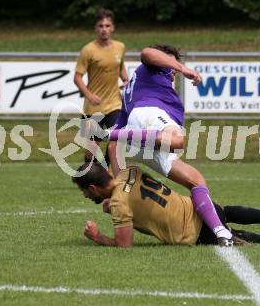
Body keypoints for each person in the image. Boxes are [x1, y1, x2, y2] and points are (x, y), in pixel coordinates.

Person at [86, 44, 235, 246]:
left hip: (142, 139)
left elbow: (116, 141)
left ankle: (221, 232)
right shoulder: (148, 69)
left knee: (196, 181)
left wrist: (118, 189)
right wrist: (184, 69)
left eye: (176, 65)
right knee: (177, 140)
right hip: (149, 119)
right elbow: (147, 52)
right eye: (171, 63)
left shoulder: (131, 91)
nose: (174, 69)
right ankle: (109, 133)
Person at [72, 163, 260, 248]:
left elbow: (124, 245)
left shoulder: (119, 203)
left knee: (234, 236)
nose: (84, 196)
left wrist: (97, 237)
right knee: (226, 212)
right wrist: (112, 206)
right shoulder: (129, 172)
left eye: (83, 191)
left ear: (93, 188)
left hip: (192, 232)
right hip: (196, 206)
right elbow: (135, 199)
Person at [73, 8, 129, 165]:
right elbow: (77, 77)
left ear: (113, 28)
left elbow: (120, 67)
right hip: (94, 106)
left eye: (107, 26)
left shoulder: (120, 47)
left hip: (115, 103)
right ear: (95, 29)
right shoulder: (88, 50)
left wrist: (125, 80)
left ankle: (105, 169)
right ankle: (89, 174)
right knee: (91, 148)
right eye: (100, 26)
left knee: (118, 138)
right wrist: (88, 94)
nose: (104, 29)